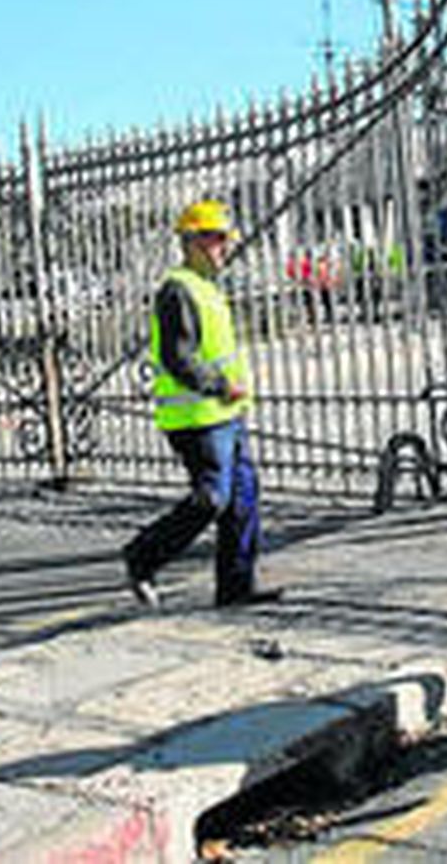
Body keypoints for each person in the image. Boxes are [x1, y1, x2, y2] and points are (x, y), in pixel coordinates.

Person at [123, 199, 281, 609]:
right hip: (196, 417)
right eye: (215, 239)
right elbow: (180, 357)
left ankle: (236, 588)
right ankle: (142, 556)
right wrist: (218, 386)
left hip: (226, 414)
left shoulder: (207, 288)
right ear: (191, 242)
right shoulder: (177, 290)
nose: (223, 247)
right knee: (213, 498)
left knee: (243, 499)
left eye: (225, 239)